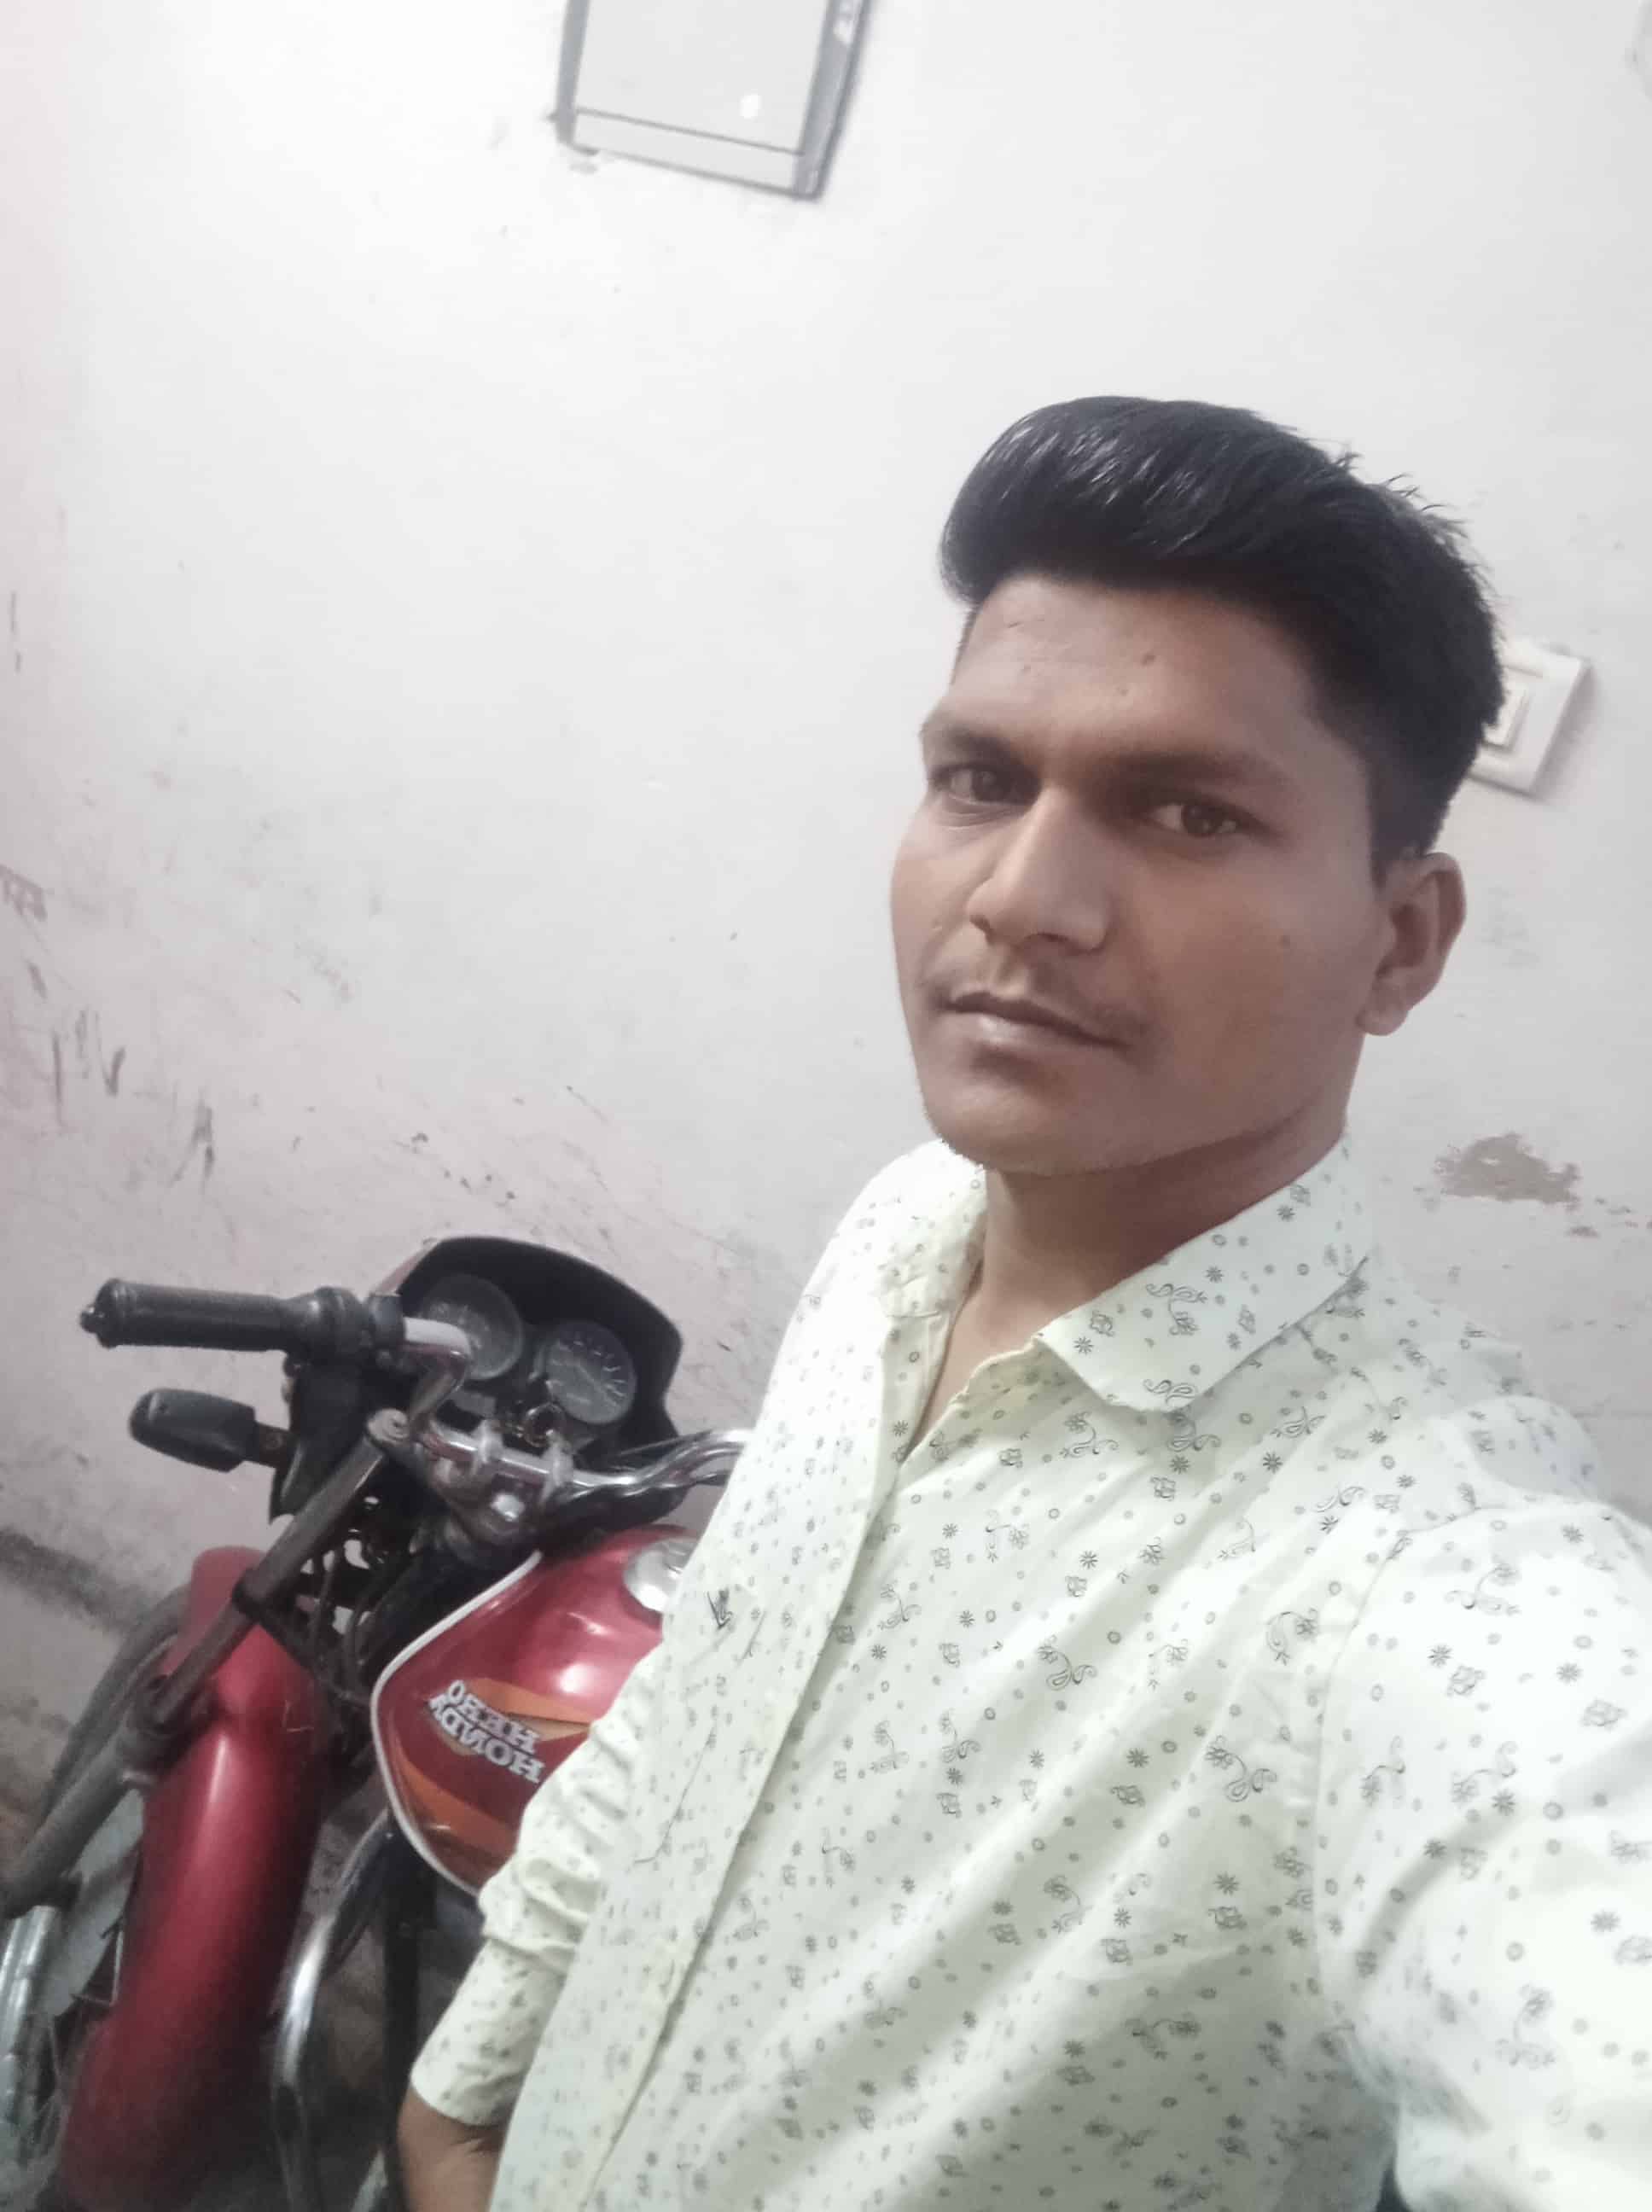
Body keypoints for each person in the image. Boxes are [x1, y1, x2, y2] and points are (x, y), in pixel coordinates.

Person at [399, 398, 1652, 2212]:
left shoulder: (1432, 1574)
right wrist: (464, 2092)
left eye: (1188, 812)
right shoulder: (903, 1234)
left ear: (1401, 941)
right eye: (982, 781)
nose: (1022, 897)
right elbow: (713, 1695)